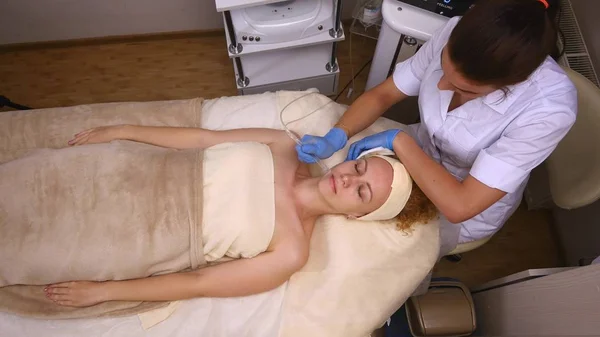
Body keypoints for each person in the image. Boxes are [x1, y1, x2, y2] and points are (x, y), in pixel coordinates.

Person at [37, 124, 436, 308]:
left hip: (132, 235)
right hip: (136, 171)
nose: (348, 179)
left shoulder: (292, 249)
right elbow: (200, 139)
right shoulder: (282, 144)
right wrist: (123, 132)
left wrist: (103, 292)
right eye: (360, 169)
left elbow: (198, 282)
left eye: (361, 192)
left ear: (358, 217)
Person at [296, 0, 577, 248]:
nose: (440, 85)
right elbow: (384, 94)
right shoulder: (455, 31)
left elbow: (460, 205)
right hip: (419, 149)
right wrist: (338, 134)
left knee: (379, 248)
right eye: (443, 69)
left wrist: (399, 141)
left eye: (465, 90)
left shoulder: (548, 109)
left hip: (462, 197)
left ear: (509, 85)